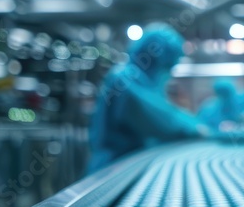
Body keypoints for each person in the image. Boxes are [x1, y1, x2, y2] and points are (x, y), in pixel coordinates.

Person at [86, 24, 206, 174]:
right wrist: (197, 129)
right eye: (166, 67)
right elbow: (161, 119)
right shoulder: (123, 80)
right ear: (157, 59)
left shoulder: (141, 81)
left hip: (129, 166)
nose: (166, 74)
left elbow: (165, 110)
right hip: (112, 169)